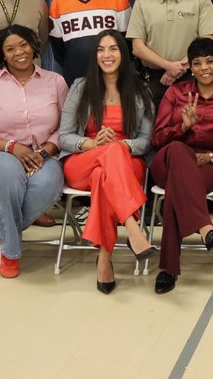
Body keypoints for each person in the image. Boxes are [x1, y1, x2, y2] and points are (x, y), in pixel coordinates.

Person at [58, 30, 158, 294]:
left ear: (123, 54)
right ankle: (133, 229)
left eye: (113, 49)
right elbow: (64, 136)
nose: (107, 55)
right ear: (95, 55)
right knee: (108, 157)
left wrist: (121, 144)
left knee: (105, 174)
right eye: (101, 50)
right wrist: (92, 143)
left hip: (126, 160)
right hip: (84, 158)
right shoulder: (81, 86)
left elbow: (146, 141)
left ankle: (104, 258)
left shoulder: (140, 89)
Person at [0, 25, 68, 278]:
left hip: (44, 156)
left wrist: (44, 152)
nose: (19, 52)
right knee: (8, 173)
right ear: (2, 55)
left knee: (49, 184)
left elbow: (66, 128)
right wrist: (12, 147)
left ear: (33, 46)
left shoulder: (55, 82)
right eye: (10, 49)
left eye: (23, 45)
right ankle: (10, 254)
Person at [150, 38, 213, 294]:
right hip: (169, 159)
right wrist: (183, 127)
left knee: (176, 190)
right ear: (190, 67)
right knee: (179, 152)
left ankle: (168, 269)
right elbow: (157, 139)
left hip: (210, 165)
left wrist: (212, 156)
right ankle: (205, 228)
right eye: (197, 63)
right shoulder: (176, 93)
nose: (204, 68)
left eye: (210, 62)